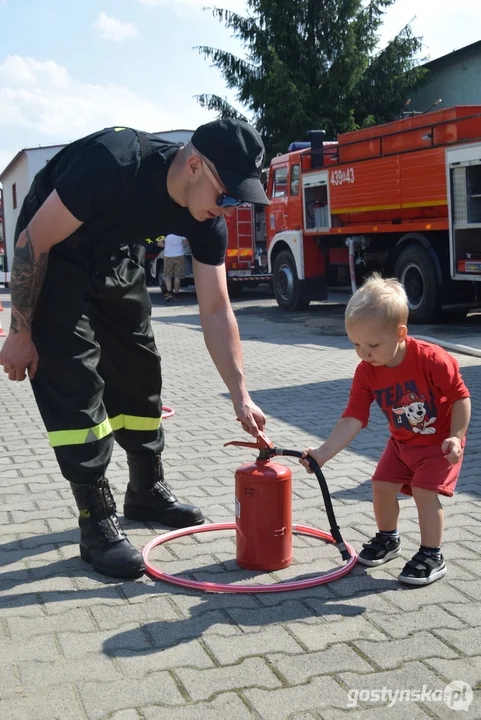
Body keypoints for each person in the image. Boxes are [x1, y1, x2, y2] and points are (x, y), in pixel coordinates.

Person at [0, 119, 269, 579]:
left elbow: (216, 311)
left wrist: (240, 394)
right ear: (195, 167)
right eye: (225, 196)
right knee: (73, 377)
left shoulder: (204, 221)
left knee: (139, 364)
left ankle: (146, 489)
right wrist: (20, 332)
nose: (226, 210)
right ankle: (96, 519)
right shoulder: (115, 162)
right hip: (54, 249)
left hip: (113, 251)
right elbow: (33, 241)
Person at [301, 273, 471, 585]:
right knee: (380, 485)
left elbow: (461, 397)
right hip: (402, 443)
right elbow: (353, 416)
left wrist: (456, 436)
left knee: (423, 492)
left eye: (373, 344)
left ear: (401, 333)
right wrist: (323, 454)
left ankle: (432, 554)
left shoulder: (432, 360)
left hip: (438, 446)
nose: (364, 353)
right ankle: (388, 538)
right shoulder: (367, 372)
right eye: (356, 344)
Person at [157, 233, 188, 300]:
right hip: (179, 255)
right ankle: (177, 293)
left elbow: (159, 244)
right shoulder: (181, 233)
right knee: (177, 276)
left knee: (167, 276)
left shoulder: (165, 233)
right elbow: (186, 243)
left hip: (168, 256)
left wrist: (166, 246)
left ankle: (169, 292)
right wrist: (180, 247)